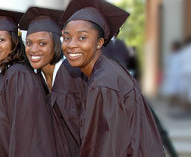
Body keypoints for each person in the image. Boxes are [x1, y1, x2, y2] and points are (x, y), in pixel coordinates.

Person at [59, 0, 165, 156]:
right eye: (66, 38)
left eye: (82, 38)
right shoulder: (109, 71)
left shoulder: (103, 85)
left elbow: (103, 148)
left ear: (99, 42)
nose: (71, 45)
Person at [0, 8, 58, 156]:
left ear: (14, 42)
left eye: (1, 39)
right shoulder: (2, 76)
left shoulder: (19, 75)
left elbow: (28, 135)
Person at [19, 6, 85, 156]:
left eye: (42, 43)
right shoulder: (37, 79)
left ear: (56, 44)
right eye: (29, 43)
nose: (33, 49)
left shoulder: (74, 76)